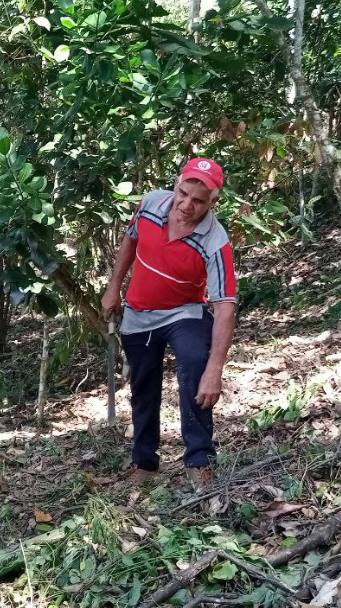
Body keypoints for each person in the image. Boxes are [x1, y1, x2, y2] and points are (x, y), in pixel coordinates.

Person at [101, 158, 237, 493]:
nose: (187, 205)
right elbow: (130, 240)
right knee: (143, 386)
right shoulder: (150, 204)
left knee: (195, 362)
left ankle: (199, 461)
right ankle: (145, 463)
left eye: (199, 201)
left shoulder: (215, 240)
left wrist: (215, 370)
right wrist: (113, 287)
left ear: (213, 201)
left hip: (184, 312)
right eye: (183, 194)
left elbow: (224, 306)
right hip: (139, 311)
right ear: (176, 185)